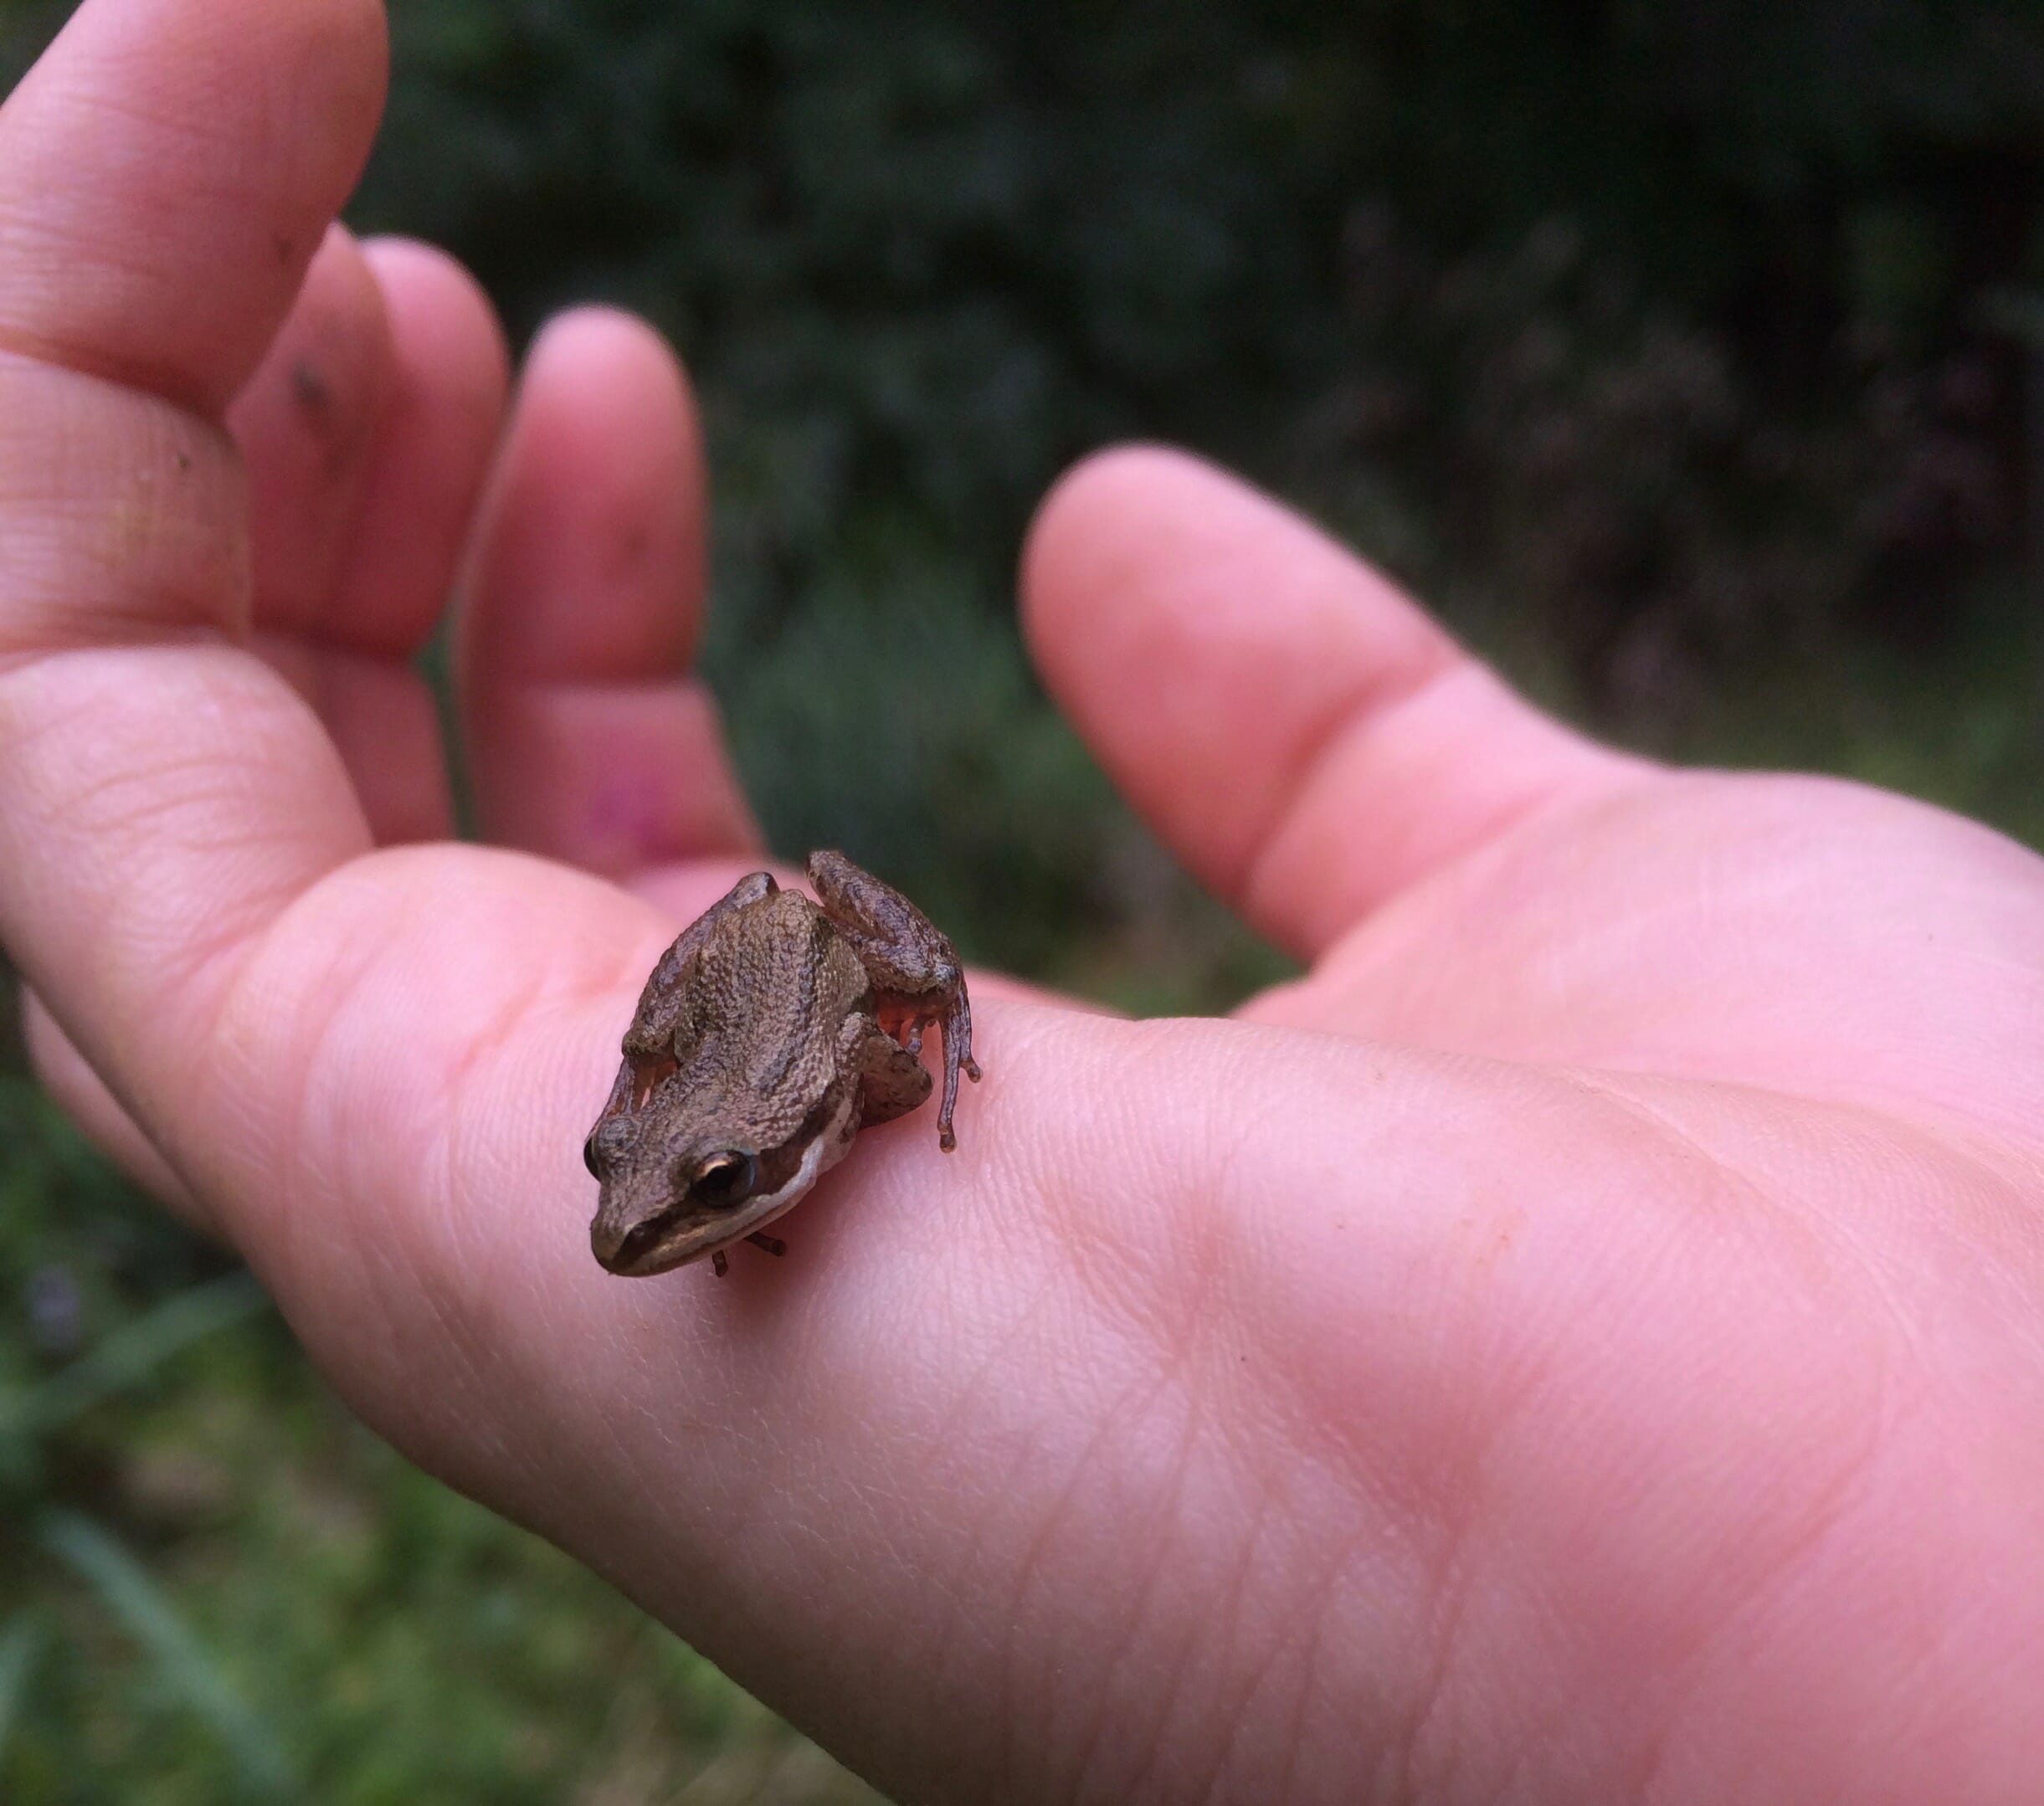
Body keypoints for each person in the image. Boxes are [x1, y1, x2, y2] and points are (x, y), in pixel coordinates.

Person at [3, 2, 2041, 1800]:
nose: (650, 1227)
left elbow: (876, 1068)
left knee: (889, 961)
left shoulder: (852, 1095)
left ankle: (883, 997)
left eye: (701, 1191)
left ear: (767, 1161)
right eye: (664, 1184)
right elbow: (677, 1141)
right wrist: (684, 1128)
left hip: (802, 966)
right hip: (735, 979)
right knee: (730, 998)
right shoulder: (708, 1145)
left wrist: (915, 1053)